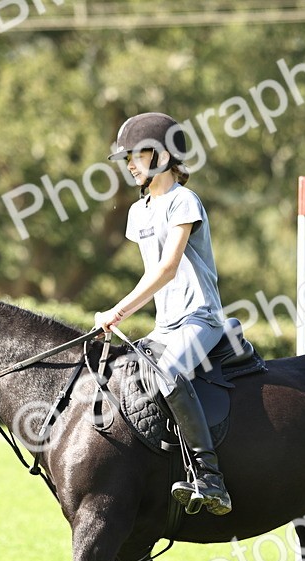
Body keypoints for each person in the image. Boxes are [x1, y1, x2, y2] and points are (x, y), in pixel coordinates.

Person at [95, 112, 232, 516]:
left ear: (162, 155)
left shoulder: (184, 201)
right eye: (128, 159)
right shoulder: (139, 212)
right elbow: (149, 271)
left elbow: (167, 268)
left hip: (200, 318)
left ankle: (211, 479)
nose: (131, 165)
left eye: (136, 156)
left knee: (168, 373)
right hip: (165, 325)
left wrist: (117, 311)